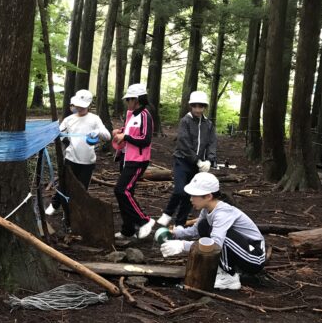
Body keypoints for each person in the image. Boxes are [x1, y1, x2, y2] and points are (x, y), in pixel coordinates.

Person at [160, 172, 266, 290]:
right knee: (203, 225)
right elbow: (196, 230)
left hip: (254, 257)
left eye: (194, 196)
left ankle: (229, 277)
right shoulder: (207, 210)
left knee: (219, 239)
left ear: (208, 196)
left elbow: (215, 245)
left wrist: (182, 245)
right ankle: (222, 269)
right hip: (240, 250)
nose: (191, 199)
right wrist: (176, 233)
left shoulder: (222, 213)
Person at [45, 90, 110, 228]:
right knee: (64, 184)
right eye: (78, 105)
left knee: (81, 190)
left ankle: (73, 213)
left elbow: (108, 136)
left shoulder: (95, 119)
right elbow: (58, 133)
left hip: (87, 162)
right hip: (70, 159)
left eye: (82, 106)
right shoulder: (69, 119)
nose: (79, 108)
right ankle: (55, 204)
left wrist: (98, 132)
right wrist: (63, 138)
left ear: (89, 105)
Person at [157, 91, 217, 227]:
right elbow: (183, 143)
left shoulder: (208, 124)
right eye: (195, 106)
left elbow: (212, 143)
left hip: (197, 166)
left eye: (200, 106)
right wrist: (197, 160)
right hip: (182, 161)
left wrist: (209, 160)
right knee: (180, 191)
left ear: (204, 107)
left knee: (191, 195)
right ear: (191, 106)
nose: (198, 109)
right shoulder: (185, 121)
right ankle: (167, 213)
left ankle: (180, 224)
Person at [112, 83, 155, 239]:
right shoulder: (131, 114)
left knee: (121, 190)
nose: (126, 102)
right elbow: (129, 131)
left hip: (138, 160)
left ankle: (145, 221)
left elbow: (145, 139)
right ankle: (128, 229)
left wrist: (126, 136)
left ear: (136, 100)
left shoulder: (145, 115)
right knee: (126, 193)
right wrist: (120, 132)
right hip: (126, 158)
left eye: (128, 99)